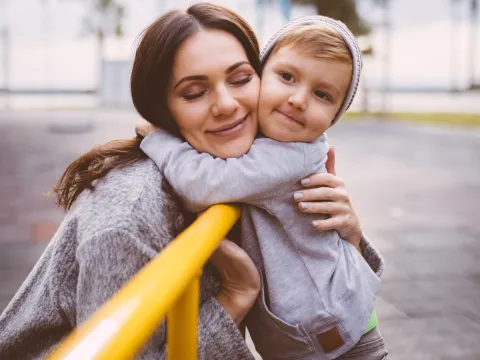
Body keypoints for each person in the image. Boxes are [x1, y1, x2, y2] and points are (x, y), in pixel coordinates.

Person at [0, 4, 383, 360]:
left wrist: (347, 232)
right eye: (194, 92)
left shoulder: (257, 159)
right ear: (159, 105)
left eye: (240, 78)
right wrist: (234, 298)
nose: (227, 104)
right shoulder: (127, 220)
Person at [137, 15, 387, 360]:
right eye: (286, 77)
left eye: (322, 94)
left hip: (334, 340)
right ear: (261, 74)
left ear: (332, 119)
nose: (299, 99)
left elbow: (202, 184)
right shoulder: (271, 142)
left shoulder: (289, 156)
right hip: (337, 317)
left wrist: (158, 138)